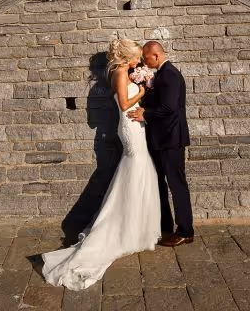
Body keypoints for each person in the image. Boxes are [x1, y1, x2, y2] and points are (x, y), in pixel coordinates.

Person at [41, 38, 161, 290]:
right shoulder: (119, 73)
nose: (139, 61)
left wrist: (140, 83)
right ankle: (121, 228)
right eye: (137, 57)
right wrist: (141, 91)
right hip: (128, 126)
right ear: (128, 57)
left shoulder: (126, 72)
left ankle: (136, 227)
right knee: (136, 168)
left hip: (136, 125)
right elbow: (124, 104)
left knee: (139, 171)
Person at [127, 40, 194, 246]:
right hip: (161, 139)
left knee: (177, 186)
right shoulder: (161, 75)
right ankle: (165, 226)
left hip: (171, 140)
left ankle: (185, 231)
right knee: (160, 184)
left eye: (146, 59)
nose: (144, 63)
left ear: (155, 55)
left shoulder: (170, 74)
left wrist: (145, 113)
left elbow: (169, 108)